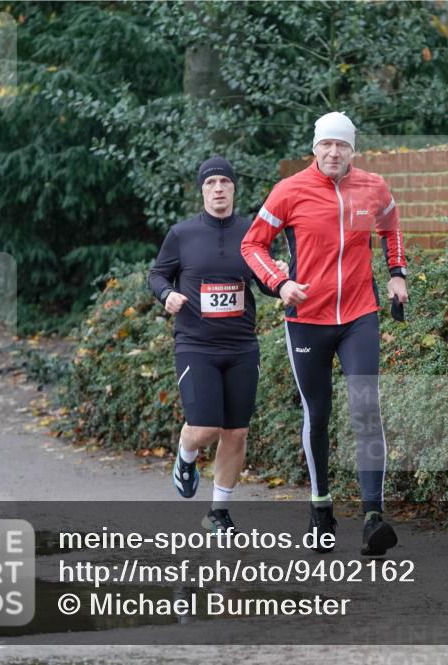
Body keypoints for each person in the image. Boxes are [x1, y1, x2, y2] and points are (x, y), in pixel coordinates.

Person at [241, 112, 408, 556]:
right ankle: (320, 508)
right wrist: (280, 284)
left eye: (343, 145)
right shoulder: (289, 191)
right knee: (318, 413)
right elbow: (252, 245)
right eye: (326, 145)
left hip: (359, 314)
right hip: (307, 318)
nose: (334, 152)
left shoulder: (373, 186)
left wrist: (397, 274)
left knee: (366, 406)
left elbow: (391, 226)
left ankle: (373, 516)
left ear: (354, 149)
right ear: (314, 148)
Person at [149, 157, 285, 534]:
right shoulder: (183, 233)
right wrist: (167, 295)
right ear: (203, 190)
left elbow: (263, 281)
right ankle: (187, 454)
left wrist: (281, 279)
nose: (219, 188)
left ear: (234, 188)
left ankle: (219, 511)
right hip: (196, 345)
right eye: (211, 183)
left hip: (242, 346)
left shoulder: (252, 232)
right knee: (205, 427)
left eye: (225, 181)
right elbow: (158, 273)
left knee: (236, 432)